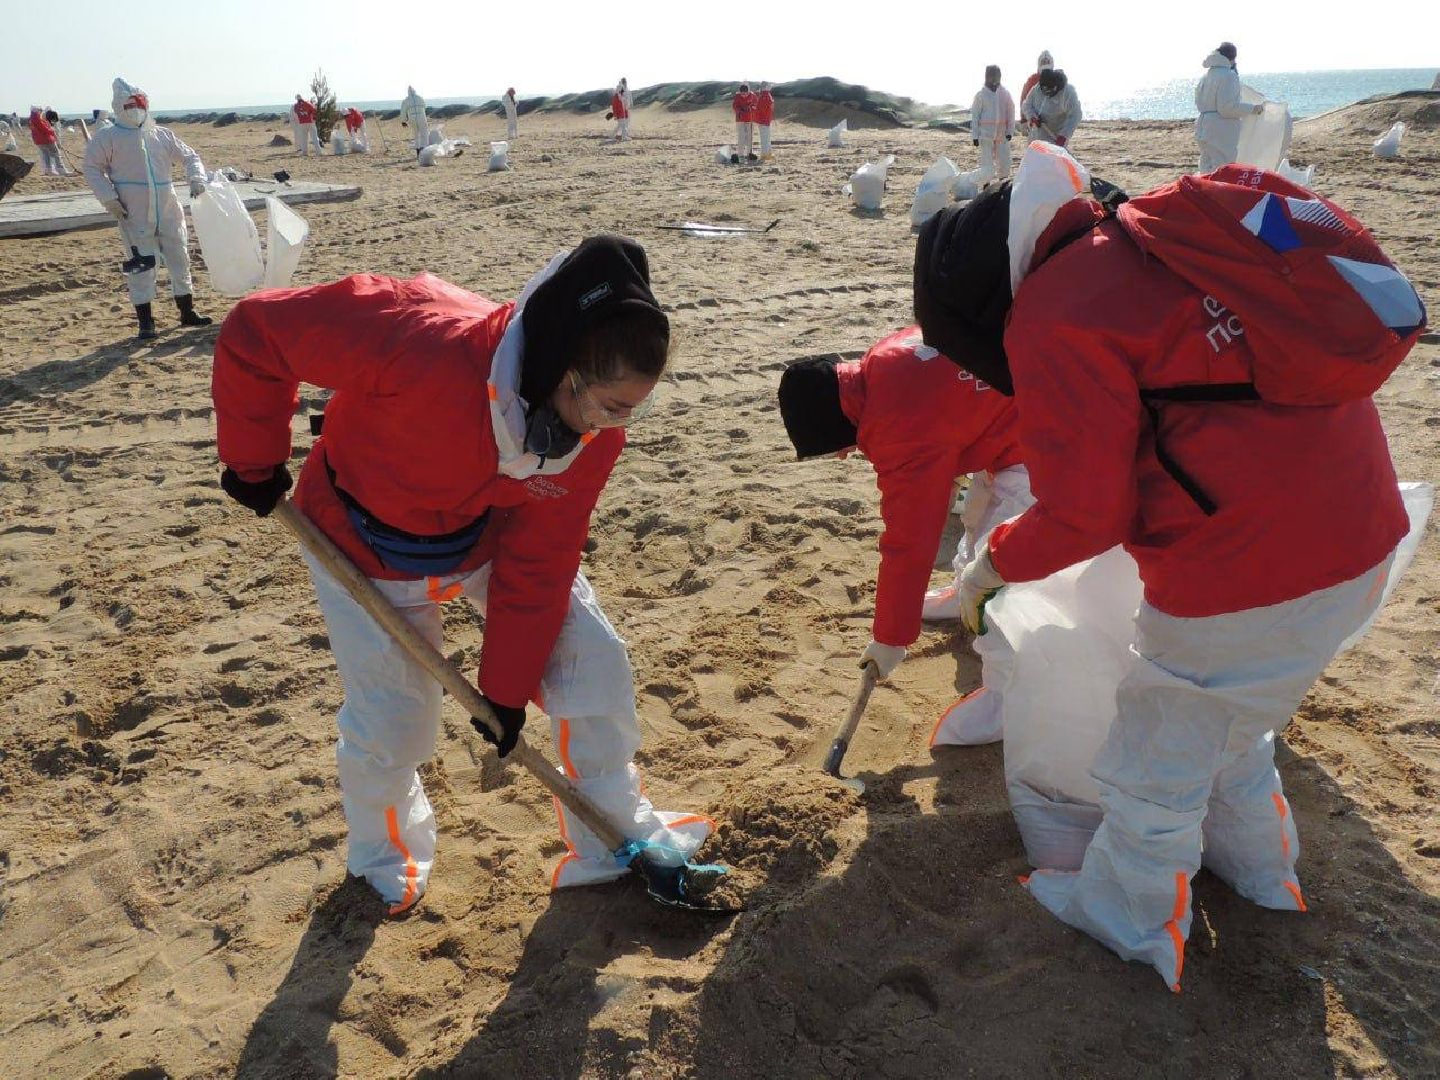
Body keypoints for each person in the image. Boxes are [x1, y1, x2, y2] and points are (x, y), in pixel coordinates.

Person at [914, 160, 1423, 990]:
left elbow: (1086, 512)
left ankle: (1133, 918)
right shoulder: (1163, 235)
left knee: (1158, 759)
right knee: (1230, 722)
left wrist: (991, 565)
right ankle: (1263, 874)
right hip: (1360, 533)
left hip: (1247, 572)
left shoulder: (1055, 309)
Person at [211, 236, 715, 913]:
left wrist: (504, 689)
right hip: (360, 539)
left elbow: (539, 560)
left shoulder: (593, 439)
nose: (613, 427)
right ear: (558, 368)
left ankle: (613, 837)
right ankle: (383, 854)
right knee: (396, 719)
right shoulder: (418, 337)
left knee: (593, 664)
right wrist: (253, 461)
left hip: (481, 539)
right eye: (610, 405)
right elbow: (257, 332)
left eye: (633, 409)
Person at [777, 326, 1029, 746]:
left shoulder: (898, 427)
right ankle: (961, 589)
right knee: (977, 514)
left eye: (836, 446)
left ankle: (1007, 696)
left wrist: (891, 637)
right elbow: (950, 425)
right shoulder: (883, 359)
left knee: (1002, 565)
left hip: (1042, 436)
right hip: (1003, 423)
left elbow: (910, 541)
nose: (843, 453)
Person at [82, 78, 212, 341]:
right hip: (132, 211)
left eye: (140, 102)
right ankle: (146, 322)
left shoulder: (161, 135)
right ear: (119, 106)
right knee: (141, 264)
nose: (137, 108)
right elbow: (92, 168)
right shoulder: (108, 137)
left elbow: (190, 156)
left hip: (168, 208)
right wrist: (109, 199)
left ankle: (186, 311)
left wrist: (196, 177)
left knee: (180, 257)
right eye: (131, 104)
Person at [1194, 42, 1263, 173]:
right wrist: (1252, 109)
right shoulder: (1228, 75)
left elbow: (1199, 102)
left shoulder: (1206, 76)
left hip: (1203, 125)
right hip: (1220, 129)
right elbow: (1226, 108)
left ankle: (1204, 192)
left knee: (1206, 165)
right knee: (1223, 167)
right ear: (1232, 58)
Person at [970, 66, 1015, 182]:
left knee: (1004, 159)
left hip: (1002, 134)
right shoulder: (981, 95)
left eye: (996, 75)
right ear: (986, 77)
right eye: (991, 75)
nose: (994, 78)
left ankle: (1003, 180)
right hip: (985, 135)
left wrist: (1010, 131)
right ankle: (986, 183)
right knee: (986, 161)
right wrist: (975, 136)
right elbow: (975, 116)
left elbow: (1011, 113)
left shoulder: (1005, 94)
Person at [1022, 68, 1083, 148]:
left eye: (1050, 89)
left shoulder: (1068, 92)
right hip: (1037, 132)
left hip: (1056, 134)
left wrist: (1064, 135)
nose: (1047, 92)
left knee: (1053, 158)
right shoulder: (1037, 89)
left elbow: (1075, 115)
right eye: (1045, 89)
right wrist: (1032, 117)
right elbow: (1026, 105)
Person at [30, 105, 67, 175]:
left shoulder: (33, 119)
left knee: (46, 155)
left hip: (39, 141)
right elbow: (43, 128)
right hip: (46, 139)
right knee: (56, 154)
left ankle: (48, 170)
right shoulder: (36, 118)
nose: (41, 111)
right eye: (40, 110)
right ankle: (61, 169)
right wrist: (52, 131)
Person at [731, 83, 757, 163]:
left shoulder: (753, 96)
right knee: (741, 137)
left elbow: (755, 105)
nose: (744, 95)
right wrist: (740, 110)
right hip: (740, 120)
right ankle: (740, 155)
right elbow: (734, 106)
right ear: (740, 92)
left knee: (749, 137)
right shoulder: (737, 96)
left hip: (750, 119)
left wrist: (750, 108)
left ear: (748, 92)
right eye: (742, 94)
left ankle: (749, 154)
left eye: (745, 94)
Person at [401, 85, 428, 156]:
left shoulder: (406, 101)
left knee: (416, 135)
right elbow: (425, 106)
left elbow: (403, 111)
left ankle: (418, 151)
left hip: (412, 118)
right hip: (421, 117)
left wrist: (403, 121)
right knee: (424, 133)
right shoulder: (420, 98)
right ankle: (424, 149)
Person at [755, 82, 775, 161]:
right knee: (765, 138)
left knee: (766, 137)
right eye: (769, 85)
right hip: (764, 120)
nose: (770, 86)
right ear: (766, 87)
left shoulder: (764, 95)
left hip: (765, 120)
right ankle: (764, 154)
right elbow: (764, 108)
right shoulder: (765, 95)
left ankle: (768, 153)